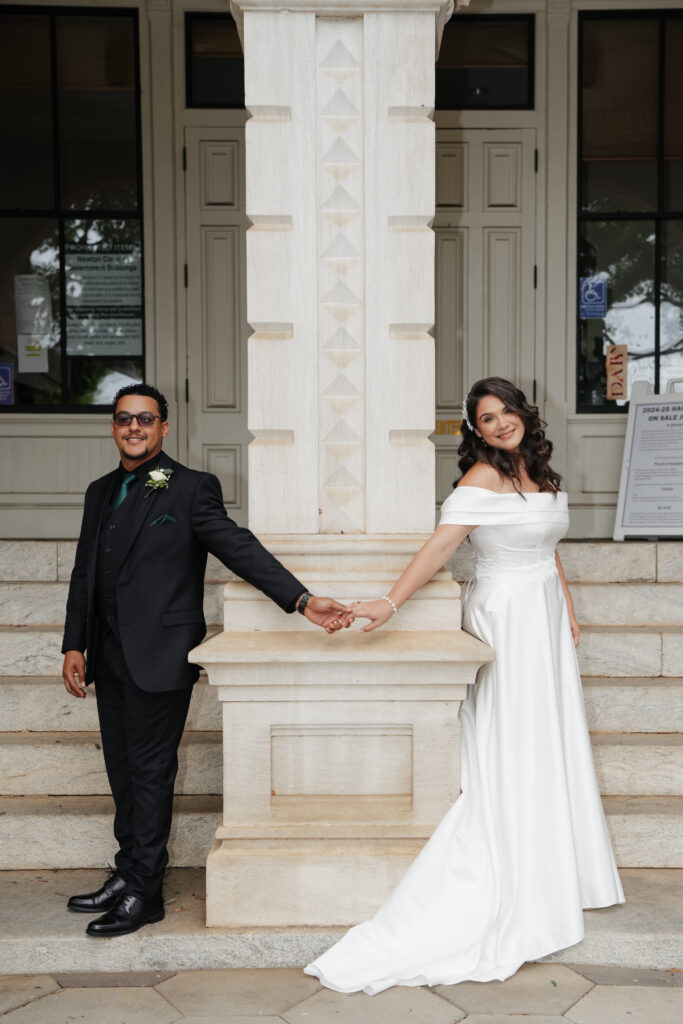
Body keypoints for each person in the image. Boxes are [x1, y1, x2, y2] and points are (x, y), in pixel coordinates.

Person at [305, 376, 624, 994]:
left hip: (544, 616)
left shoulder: (540, 474)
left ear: (523, 415)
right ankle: (517, 871)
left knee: (547, 734)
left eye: (507, 411)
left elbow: (548, 546)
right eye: (487, 417)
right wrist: (389, 604)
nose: (501, 423)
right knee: (518, 738)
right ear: (474, 429)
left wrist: (568, 606)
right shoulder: (478, 480)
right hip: (505, 612)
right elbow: (439, 549)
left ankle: (555, 863)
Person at [62, 383, 351, 938]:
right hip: (109, 654)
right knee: (122, 774)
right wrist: (75, 643)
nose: (134, 428)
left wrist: (302, 600)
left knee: (150, 774)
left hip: (160, 656)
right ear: (114, 427)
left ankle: (144, 893)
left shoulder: (191, 488)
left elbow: (238, 547)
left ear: (164, 427)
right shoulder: (99, 492)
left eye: (146, 419)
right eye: (124, 419)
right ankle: (127, 875)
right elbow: (83, 574)